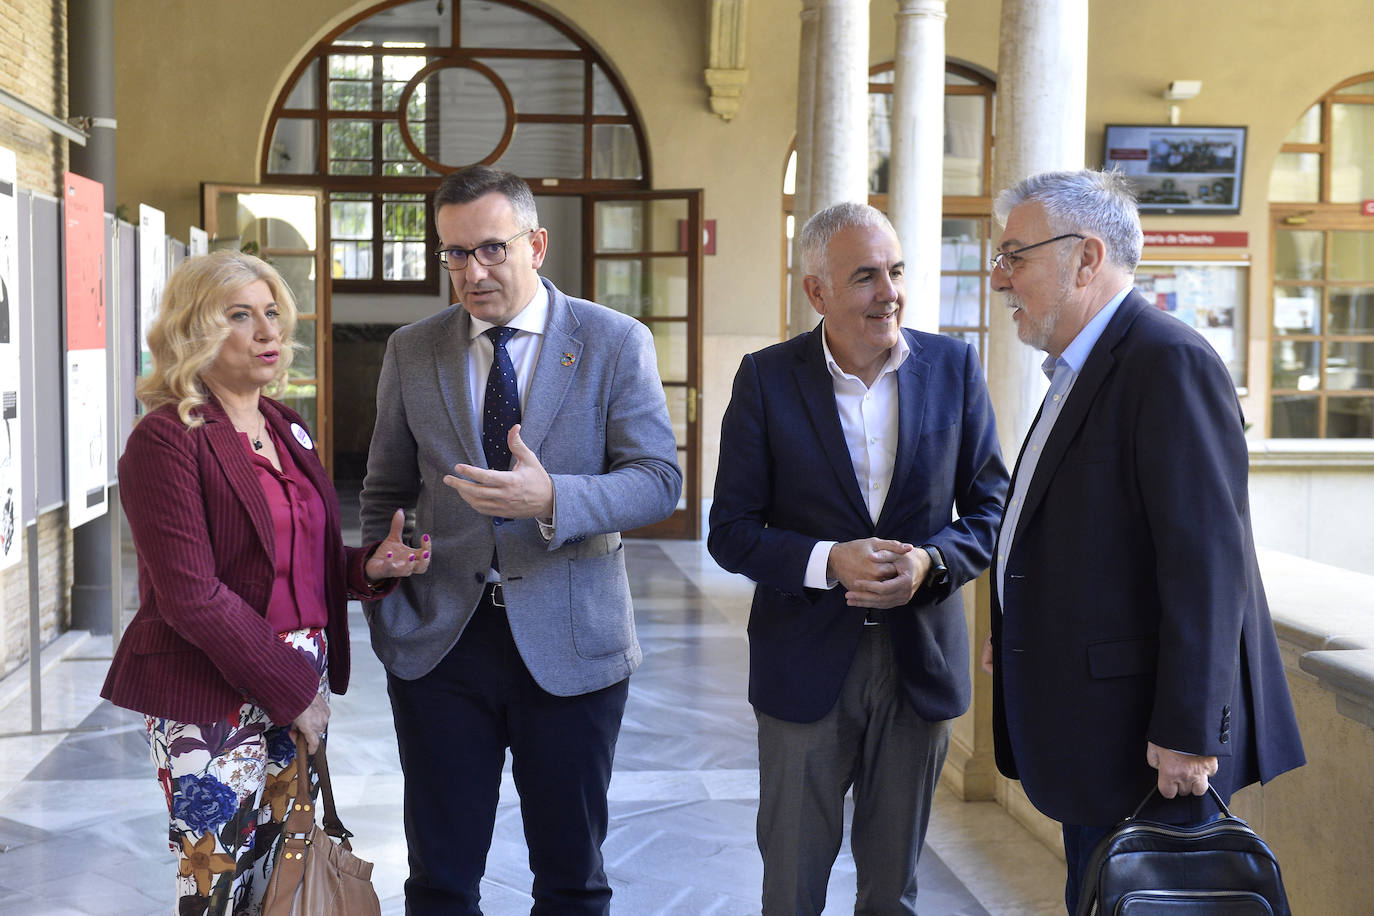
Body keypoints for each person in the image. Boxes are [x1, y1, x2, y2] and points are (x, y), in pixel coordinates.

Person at [360, 165, 681, 915]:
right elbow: (384, 490)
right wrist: (387, 587)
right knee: (440, 882)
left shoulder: (613, 342)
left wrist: (555, 498)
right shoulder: (413, 350)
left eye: (491, 250)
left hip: (572, 642)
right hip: (442, 645)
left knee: (571, 881)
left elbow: (658, 480)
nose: (472, 272)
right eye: (454, 254)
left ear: (535, 245)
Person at [982, 169, 1305, 914]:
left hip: (1149, 746)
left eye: (1014, 257)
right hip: (1095, 729)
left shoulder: (1167, 360)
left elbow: (1207, 565)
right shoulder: (1083, 366)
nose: (999, 278)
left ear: (1086, 258)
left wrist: (1189, 733)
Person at [101, 250, 430, 915]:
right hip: (211, 687)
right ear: (195, 330)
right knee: (217, 881)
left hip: (298, 676)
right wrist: (293, 691)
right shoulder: (165, 440)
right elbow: (191, 596)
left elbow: (295, 557)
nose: (267, 331)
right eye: (240, 316)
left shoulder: (287, 427)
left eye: (272, 313)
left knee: (283, 875)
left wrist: (366, 566)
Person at [708, 202, 1008, 915]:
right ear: (817, 291)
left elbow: (992, 510)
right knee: (791, 886)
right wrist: (826, 560)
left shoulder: (954, 368)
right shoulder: (766, 379)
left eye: (897, 272)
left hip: (919, 663)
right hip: (803, 664)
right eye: (867, 276)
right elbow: (731, 530)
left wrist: (932, 563)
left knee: (892, 892)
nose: (890, 293)